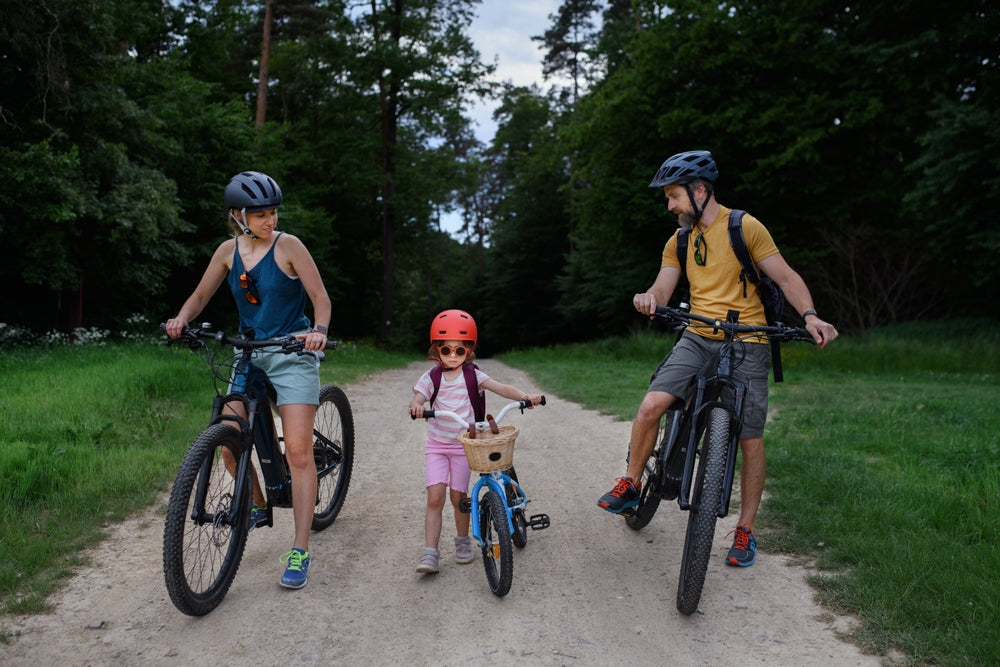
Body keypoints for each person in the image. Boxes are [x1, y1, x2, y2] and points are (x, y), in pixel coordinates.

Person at [597, 150, 838, 567]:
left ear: (700, 190)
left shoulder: (745, 227)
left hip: (750, 339)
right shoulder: (680, 239)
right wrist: (649, 299)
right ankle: (631, 483)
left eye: (674, 196)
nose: (670, 205)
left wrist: (812, 316)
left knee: (750, 437)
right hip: (697, 336)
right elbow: (662, 288)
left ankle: (745, 530)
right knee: (652, 403)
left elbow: (786, 277)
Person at [165, 170, 332, 589]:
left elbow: (321, 298)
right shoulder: (227, 251)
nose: (269, 221)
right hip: (249, 351)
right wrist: (182, 319)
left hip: (293, 351)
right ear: (237, 215)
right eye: (260, 215)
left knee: (297, 452)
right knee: (226, 436)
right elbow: (202, 294)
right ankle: (256, 505)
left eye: (273, 213)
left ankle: (299, 549)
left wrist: (320, 331)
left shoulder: (289, 245)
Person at [407, 309, 543, 574]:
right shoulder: (431, 377)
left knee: (459, 498)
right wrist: (416, 405)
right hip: (437, 446)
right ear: (436, 350)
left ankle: (462, 542)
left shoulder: (474, 376)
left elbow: (501, 387)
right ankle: (430, 553)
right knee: (435, 497)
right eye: (447, 350)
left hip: (462, 446)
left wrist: (525, 396)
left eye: (461, 350)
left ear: (469, 351)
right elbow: (419, 397)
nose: (453, 356)